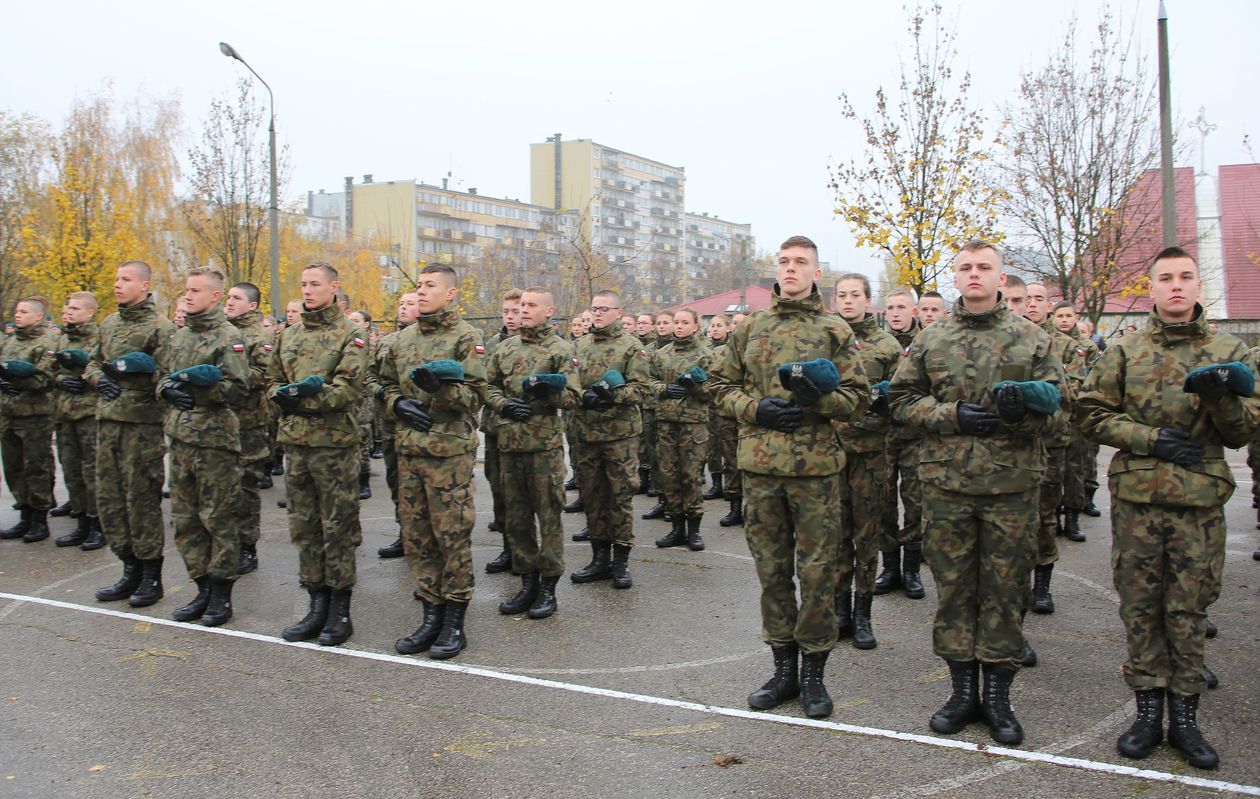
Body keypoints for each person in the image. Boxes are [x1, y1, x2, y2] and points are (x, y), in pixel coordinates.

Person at [1077, 247, 1260, 770]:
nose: (1175, 286)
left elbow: (1245, 429)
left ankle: (1184, 718)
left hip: (1198, 503)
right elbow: (1090, 415)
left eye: (1185, 277)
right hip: (1138, 501)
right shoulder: (1125, 351)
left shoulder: (1229, 351)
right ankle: (1146, 712)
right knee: (1140, 607)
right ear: (1150, 288)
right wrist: (1151, 438)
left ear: (1199, 285)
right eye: (1165, 278)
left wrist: (1222, 398)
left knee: (1188, 609)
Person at [889, 240, 1062, 746]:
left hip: (1011, 488)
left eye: (984, 267)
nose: (974, 275)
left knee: (1007, 592)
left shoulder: (1032, 339)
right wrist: (950, 415)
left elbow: (1063, 413)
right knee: (955, 591)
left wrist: (1022, 415)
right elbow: (900, 401)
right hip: (948, 488)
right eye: (965, 267)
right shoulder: (932, 339)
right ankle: (962, 692)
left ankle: (1000, 698)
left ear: (1001, 277)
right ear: (956, 276)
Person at [712, 235, 869, 719]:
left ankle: (814, 677)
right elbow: (720, 386)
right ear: (776, 270)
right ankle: (782, 671)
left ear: (816, 273)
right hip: (761, 469)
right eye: (785, 261)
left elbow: (857, 398)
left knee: (819, 573)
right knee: (772, 573)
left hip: (817, 470)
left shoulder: (833, 330)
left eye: (802, 262)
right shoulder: (750, 327)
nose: (792, 268)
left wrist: (814, 400)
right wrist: (758, 408)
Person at [380, 265, 485, 659]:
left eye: (430, 286)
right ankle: (430, 614)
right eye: (419, 286)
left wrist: (440, 391)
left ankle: (454, 620)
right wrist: (398, 402)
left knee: (451, 536)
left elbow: (475, 396)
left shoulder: (467, 338)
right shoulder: (402, 339)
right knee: (417, 537)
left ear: (451, 293)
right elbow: (381, 382)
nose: (421, 292)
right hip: (409, 449)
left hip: (449, 452)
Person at [268, 262, 369, 646]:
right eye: (303, 284)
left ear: (334, 288)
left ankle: (340, 612)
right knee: (305, 528)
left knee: (337, 528)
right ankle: (316, 605)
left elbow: (345, 391)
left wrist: (296, 400)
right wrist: (285, 397)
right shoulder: (288, 335)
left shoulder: (352, 335)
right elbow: (272, 382)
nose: (308, 291)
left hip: (334, 447)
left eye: (315, 284)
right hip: (296, 445)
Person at [157, 268, 250, 626]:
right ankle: (201, 588)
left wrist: (201, 388)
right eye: (186, 290)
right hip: (180, 437)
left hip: (214, 441)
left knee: (218, 518)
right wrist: (165, 389)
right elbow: (162, 378)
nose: (189, 296)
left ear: (215, 296)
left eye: (196, 290)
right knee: (185, 520)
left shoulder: (229, 336)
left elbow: (238, 389)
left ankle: (221, 595)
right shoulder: (179, 338)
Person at [483, 286, 580, 619]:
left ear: (549, 311)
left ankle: (548, 587)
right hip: (509, 445)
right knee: (517, 519)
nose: (523, 310)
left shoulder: (561, 349)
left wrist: (547, 392)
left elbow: (574, 398)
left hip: (544, 448)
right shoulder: (504, 348)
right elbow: (488, 386)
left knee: (549, 517)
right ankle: (527, 584)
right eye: (521, 304)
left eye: (531, 305)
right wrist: (504, 404)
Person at [85, 261, 177, 606]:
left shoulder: (160, 327)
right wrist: (99, 379)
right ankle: (128, 569)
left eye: (125, 279)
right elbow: (92, 362)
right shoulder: (108, 323)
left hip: (142, 426)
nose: (117, 285)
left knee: (141, 502)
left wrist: (141, 375)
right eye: (116, 279)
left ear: (144, 285)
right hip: (108, 423)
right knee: (110, 500)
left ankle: (151, 576)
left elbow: (168, 376)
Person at [832, 273, 901, 650]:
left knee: (866, 534)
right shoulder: (824, 338)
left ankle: (862, 614)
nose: (847, 301)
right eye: (841, 295)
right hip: (831, 450)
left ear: (867, 300)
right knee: (836, 533)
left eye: (854, 295)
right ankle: (839, 610)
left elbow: (903, 398)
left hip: (871, 451)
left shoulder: (886, 345)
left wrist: (884, 400)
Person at [569, 290, 649, 589]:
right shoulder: (579, 345)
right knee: (592, 497)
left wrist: (612, 395)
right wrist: (583, 398)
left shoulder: (631, 346)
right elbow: (569, 383)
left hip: (620, 437)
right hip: (586, 433)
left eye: (604, 309)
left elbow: (642, 389)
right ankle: (599, 558)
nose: (597, 314)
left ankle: (620, 562)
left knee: (620, 497)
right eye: (594, 308)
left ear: (618, 311)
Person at [647, 308, 714, 549]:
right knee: (669, 476)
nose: (679, 326)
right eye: (677, 322)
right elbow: (648, 382)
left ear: (696, 326)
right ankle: (676, 527)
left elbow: (713, 390)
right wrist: (664, 388)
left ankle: (694, 530)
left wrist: (694, 387)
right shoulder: (661, 354)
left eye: (685, 322)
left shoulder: (705, 355)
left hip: (693, 425)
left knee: (691, 477)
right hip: (666, 423)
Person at [875, 287, 926, 599]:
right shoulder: (877, 343)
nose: (895, 313)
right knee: (882, 503)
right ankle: (890, 566)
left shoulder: (927, 343)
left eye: (901, 307)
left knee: (916, 503)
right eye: (890, 307)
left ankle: (912, 570)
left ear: (914, 312)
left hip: (915, 436)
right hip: (881, 436)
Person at [225, 281, 274, 575]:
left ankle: (247, 546)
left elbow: (263, 373)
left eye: (236, 298)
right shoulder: (221, 332)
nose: (229, 302)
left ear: (252, 305)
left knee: (245, 487)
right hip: (219, 420)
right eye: (228, 297)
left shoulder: (260, 335)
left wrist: (229, 375)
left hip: (248, 422)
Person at [49, 293, 105, 549]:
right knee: (71, 470)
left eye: (74, 308)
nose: (69, 312)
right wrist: (61, 380)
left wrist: (85, 379)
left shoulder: (99, 338)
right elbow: (50, 370)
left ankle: (97, 524)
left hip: (89, 413)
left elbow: (106, 373)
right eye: (67, 307)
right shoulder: (62, 338)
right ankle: (81, 522)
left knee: (92, 471)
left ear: (90, 312)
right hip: (65, 413)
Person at [0, 297, 56, 543]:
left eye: (23, 311)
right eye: (16, 310)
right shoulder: (11, 340)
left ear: (38, 316)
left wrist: (17, 380)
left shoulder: (46, 343)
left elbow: (45, 379)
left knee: (36, 467)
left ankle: (39, 519)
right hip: (8, 413)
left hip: (34, 415)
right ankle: (24, 514)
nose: (17, 314)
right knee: (13, 467)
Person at [375, 292, 422, 560]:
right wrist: (386, 395)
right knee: (396, 482)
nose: (403, 308)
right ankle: (404, 533)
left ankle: (420, 538)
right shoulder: (387, 342)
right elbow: (372, 375)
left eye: (410, 303)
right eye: (401, 304)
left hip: (421, 427)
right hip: (393, 423)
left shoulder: (425, 341)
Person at [477, 289, 521, 571]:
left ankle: (522, 548)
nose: (511, 316)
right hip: (495, 425)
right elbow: (482, 381)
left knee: (519, 491)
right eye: (506, 311)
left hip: (521, 429)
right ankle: (507, 546)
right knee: (498, 487)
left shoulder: (534, 344)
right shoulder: (492, 344)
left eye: (516, 311)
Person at [1052, 300, 1103, 529]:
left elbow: (1090, 378)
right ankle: (1053, 516)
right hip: (1053, 415)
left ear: (1076, 318)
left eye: (1067, 316)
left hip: (1075, 414)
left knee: (1075, 467)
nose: (1063, 320)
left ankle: (1073, 516)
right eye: (1059, 316)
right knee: (1052, 470)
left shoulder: (1085, 346)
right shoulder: (1048, 341)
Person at [641, 310, 677, 517]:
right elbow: (645, 379)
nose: (663, 326)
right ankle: (662, 499)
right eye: (660, 323)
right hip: (651, 407)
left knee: (672, 460)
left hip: (673, 412)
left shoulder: (679, 350)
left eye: (667, 322)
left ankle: (675, 503)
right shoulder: (649, 350)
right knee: (655, 456)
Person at [347, 309, 375, 501]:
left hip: (364, 396)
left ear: (366, 324)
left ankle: (364, 480)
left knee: (363, 436)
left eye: (356, 320)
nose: (352, 323)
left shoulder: (370, 346)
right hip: (348, 396)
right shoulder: (346, 342)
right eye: (350, 320)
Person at [703, 314, 731, 501]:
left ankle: (731, 486)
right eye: (712, 325)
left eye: (719, 325)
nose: (714, 329)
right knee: (712, 446)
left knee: (728, 446)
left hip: (726, 405)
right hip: (708, 405)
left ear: (728, 328)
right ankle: (716, 483)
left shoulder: (732, 349)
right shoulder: (704, 350)